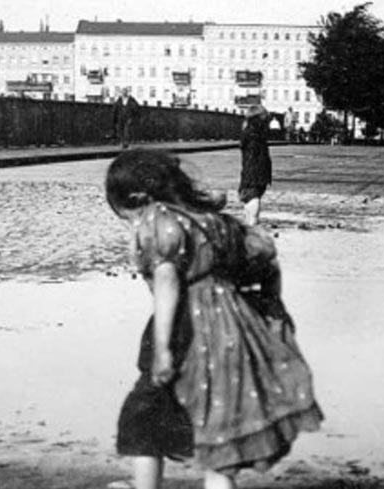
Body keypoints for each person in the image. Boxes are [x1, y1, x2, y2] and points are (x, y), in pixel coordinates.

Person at [106, 150, 323, 489]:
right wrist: (273, 309)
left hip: (183, 327)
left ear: (140, 199)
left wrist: (162, 348)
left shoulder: (157, 218)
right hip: (232, 329)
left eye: (128, 217)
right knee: (219, 428)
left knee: (143, 415)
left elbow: (166, 280)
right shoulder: (215, 221)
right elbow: (265, 259)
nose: (134, 227)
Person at [239, 105, 273, 226]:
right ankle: (252, 225)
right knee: (253, 198)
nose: (268, 122)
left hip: (252, 172)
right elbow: (254, 156)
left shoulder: (250, 131)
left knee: (251, 198)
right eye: (266, 119)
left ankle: (250, 225)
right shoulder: (254, 134)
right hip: (255, 172)